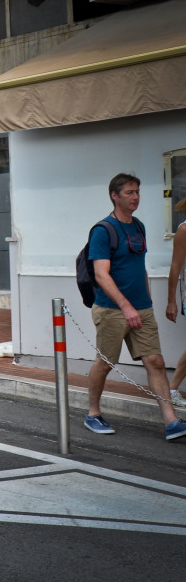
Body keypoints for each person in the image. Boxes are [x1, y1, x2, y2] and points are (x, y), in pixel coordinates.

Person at [85, 173, 186, 440]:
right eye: (129, 192)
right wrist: (126, 306)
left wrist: (147, 300)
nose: (136, 197)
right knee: (105, 363)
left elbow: (139, 267)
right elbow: (101, 275)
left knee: (155, 361)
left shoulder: (138, 226)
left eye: (137, 192)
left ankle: (171, 422)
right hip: (111, 309)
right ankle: (93, 413)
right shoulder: (103, 230)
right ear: (114, 196)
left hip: (142, 307)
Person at [164, 196, 186, 408]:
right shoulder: (184, 230)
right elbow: (175, 266)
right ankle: (172, 388)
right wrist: (171, 300)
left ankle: (172, 387)